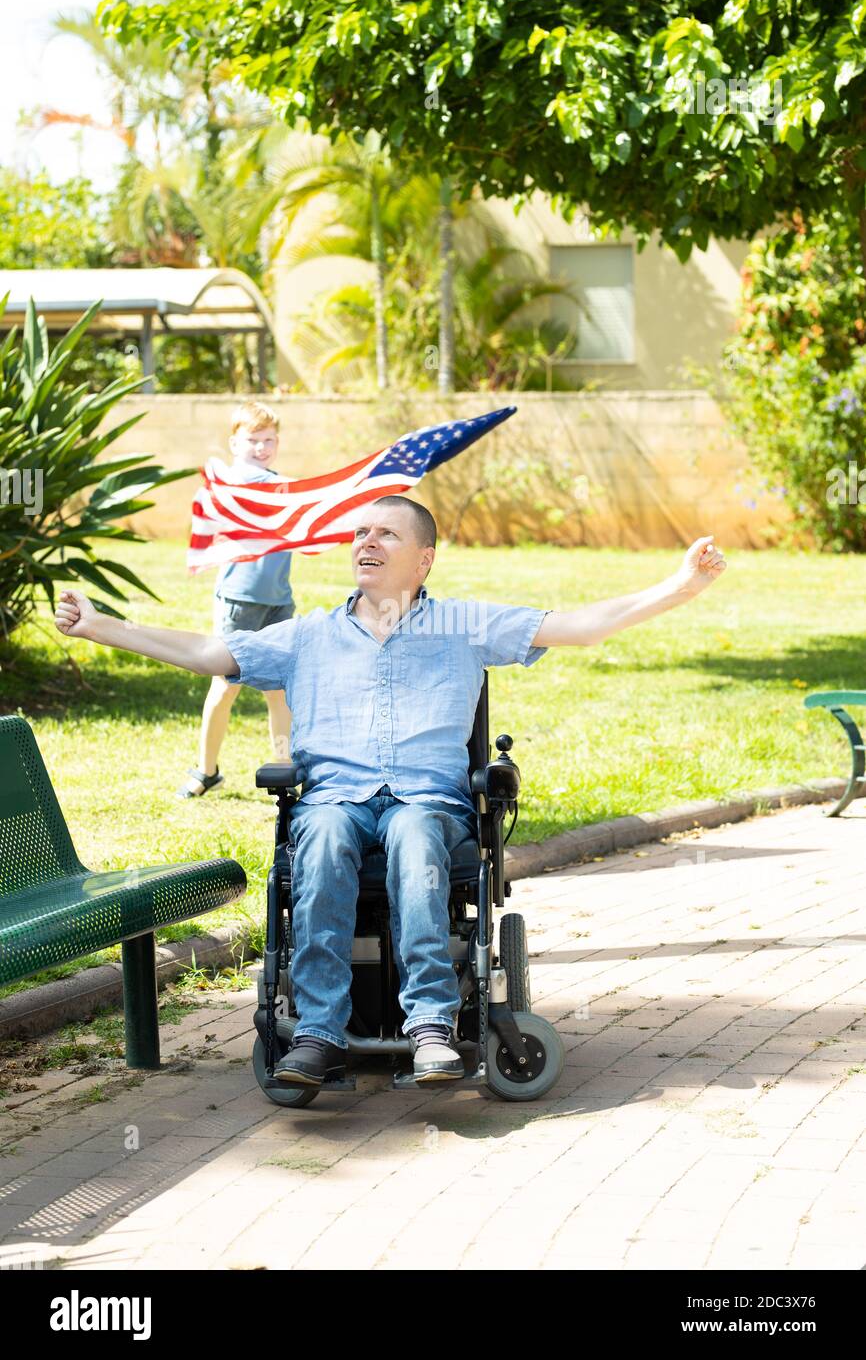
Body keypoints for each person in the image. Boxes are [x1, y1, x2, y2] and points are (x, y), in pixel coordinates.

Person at [54, 497, 726, 1085]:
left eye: (386, 535)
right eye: (359, 535)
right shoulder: (309, 635)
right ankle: (318, 1033)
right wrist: (98, 625)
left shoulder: (464, 624)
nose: (366, 544)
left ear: (424, 559)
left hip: (427, 805)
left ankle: (431, 1026)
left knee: (412, 835)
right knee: (319, 838)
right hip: (333, 801)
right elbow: (209, 654)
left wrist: (680, 586)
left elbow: (582, 626)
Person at [178, 399, 294, 798]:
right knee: (224, 686)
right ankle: (206, 770)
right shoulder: (231, 486)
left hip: (279, 601)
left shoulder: (283, 488)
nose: (262, 448)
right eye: (253, 440)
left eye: (269, 440)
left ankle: (284, 767)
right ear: (234, 443)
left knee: (280, 692)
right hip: (238, 601)